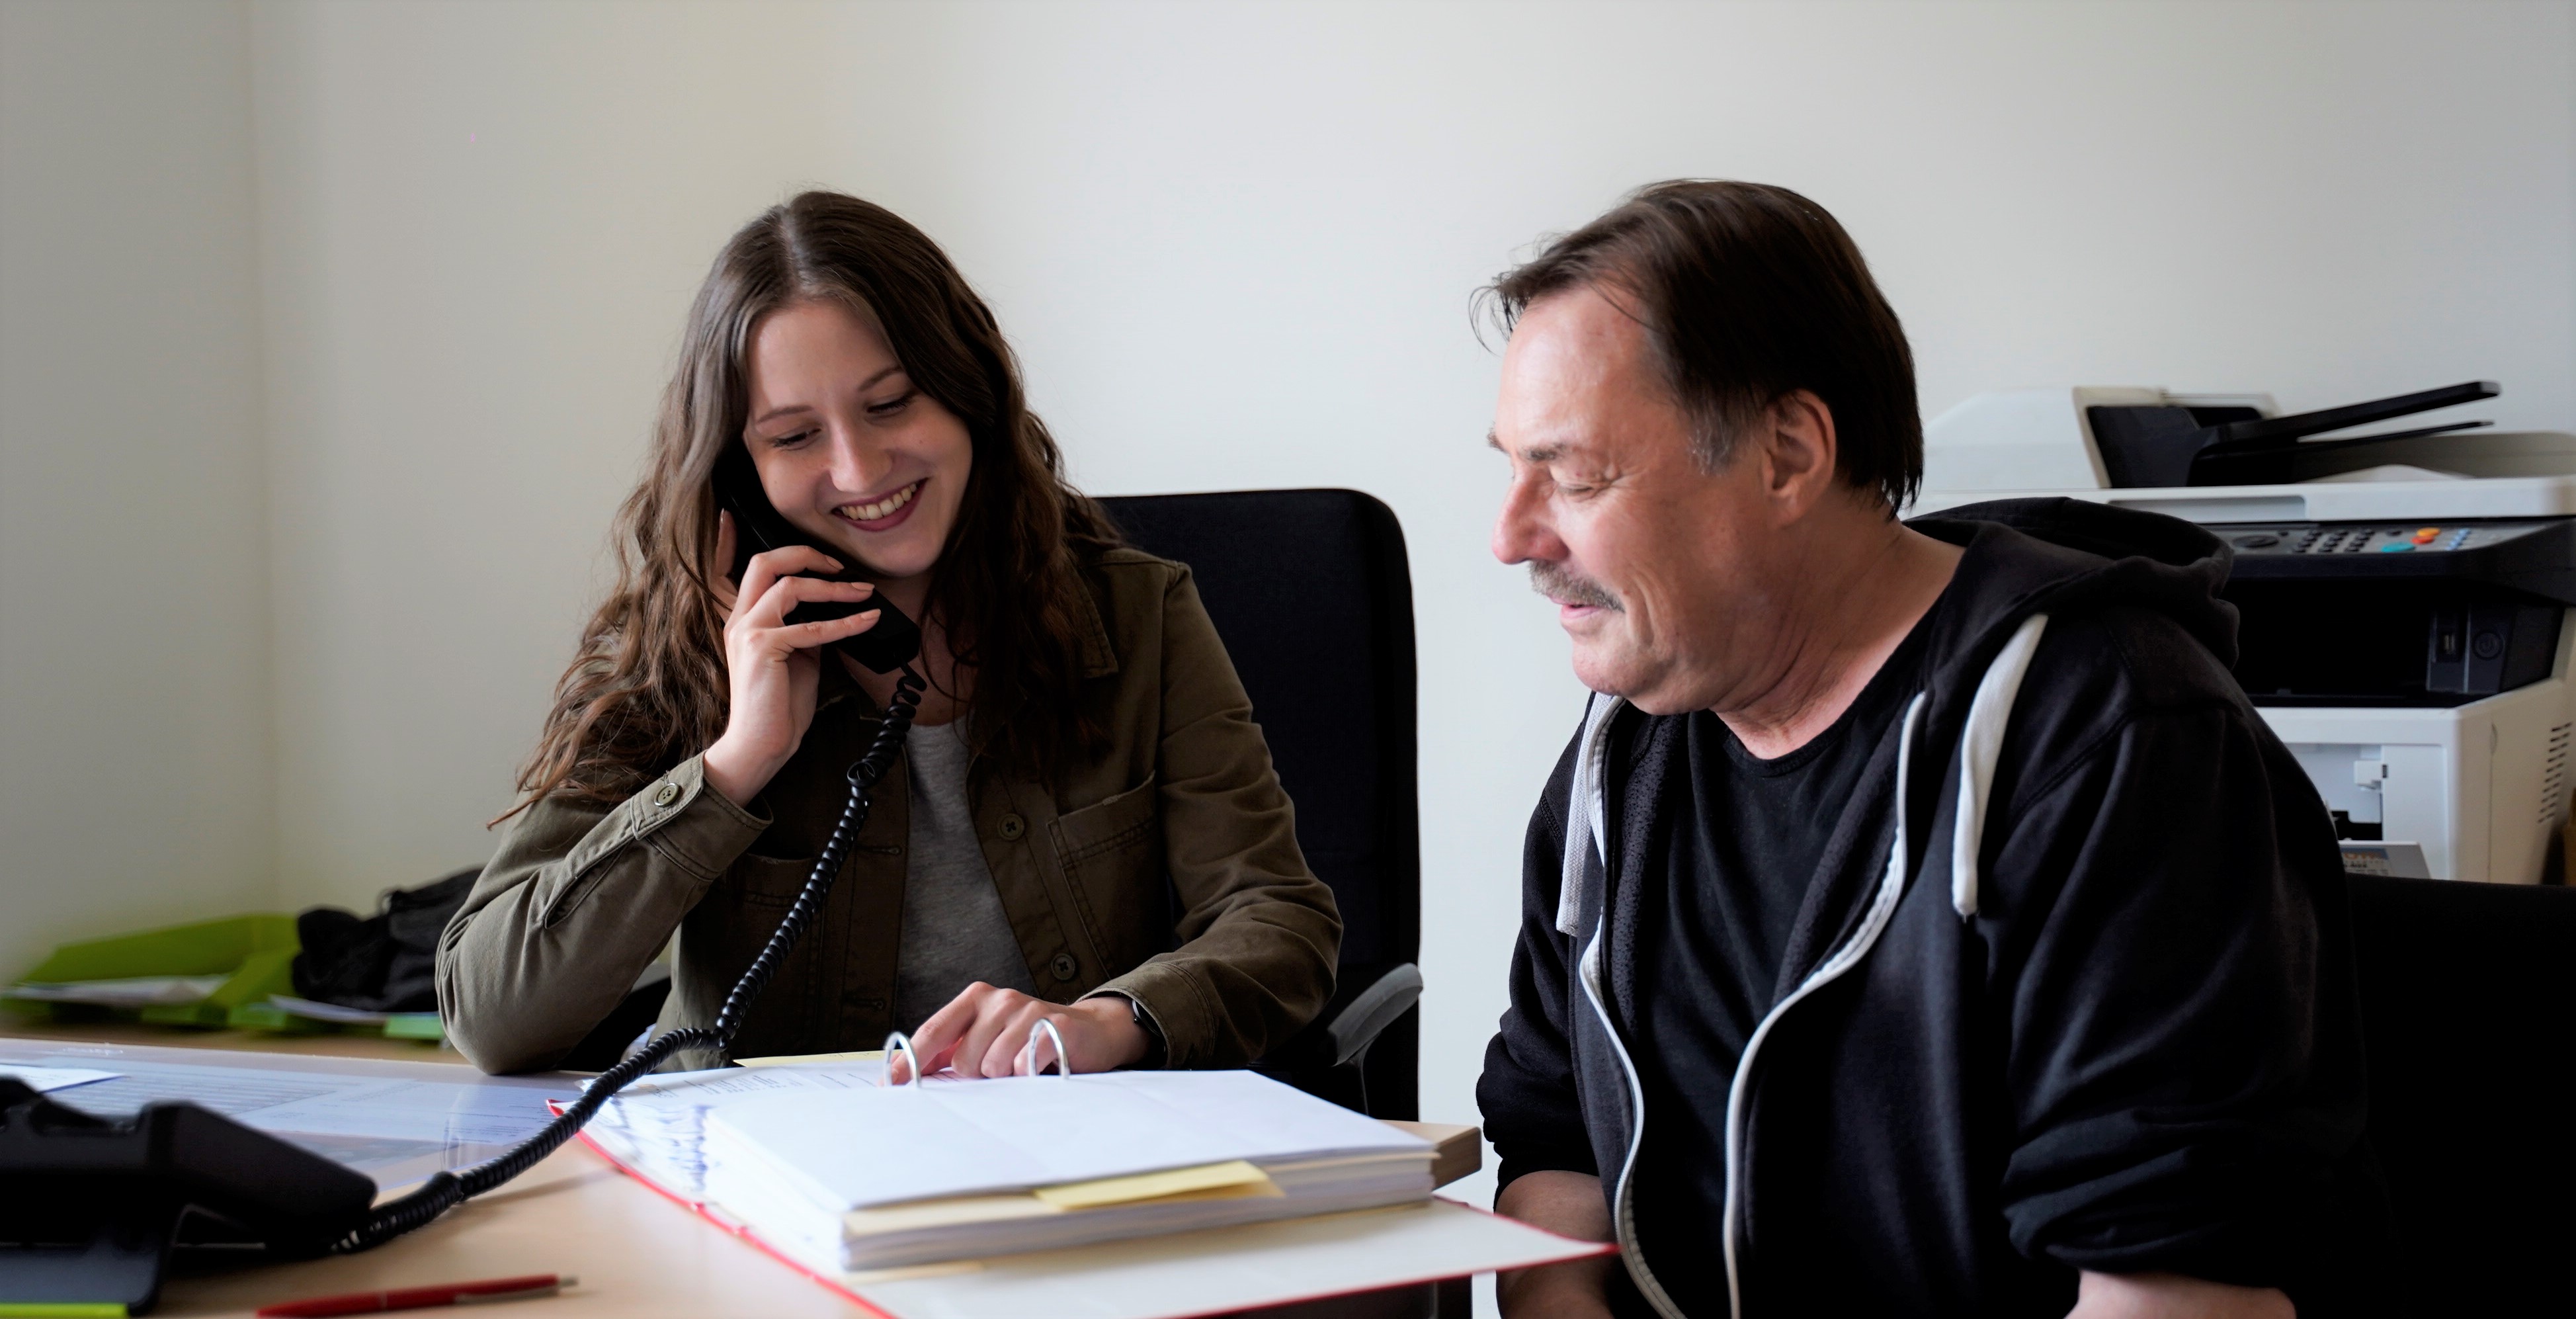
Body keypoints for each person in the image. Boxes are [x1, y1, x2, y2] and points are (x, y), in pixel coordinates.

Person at [1475, 181, 2373, 1318]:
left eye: (1575, 473)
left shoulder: (2111, 735)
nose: (1510, 536)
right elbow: (1554, 1133)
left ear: (1788, 454)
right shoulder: (1628, 751)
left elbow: (2173, 1292)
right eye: (1511, 466)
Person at [438, 191, 1340, 1080]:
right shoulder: (681, 644)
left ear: (967, 391)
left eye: (891, 403)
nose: (859, 468)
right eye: (796, 435)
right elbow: (493, 1018)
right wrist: (735, 764)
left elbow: (1277, 918)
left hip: (1053, 1144)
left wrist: (1115, 1020)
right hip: (759, 1164)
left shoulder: (1137, 616)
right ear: (742, 474)